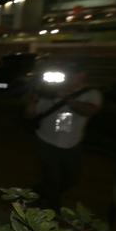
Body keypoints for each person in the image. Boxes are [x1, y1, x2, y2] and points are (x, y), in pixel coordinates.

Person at [25, 62, 102, 210]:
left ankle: (38, 192)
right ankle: (52, 210)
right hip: (46, 141)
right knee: (52, 178)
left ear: (82, 75)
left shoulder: (91, 93)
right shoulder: (48, 92)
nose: (68, 78)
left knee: (72, 178)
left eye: (73, 74)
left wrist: (67, 98)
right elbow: (29, 115)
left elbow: (90, 111)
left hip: (72, 143)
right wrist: (32, 101)